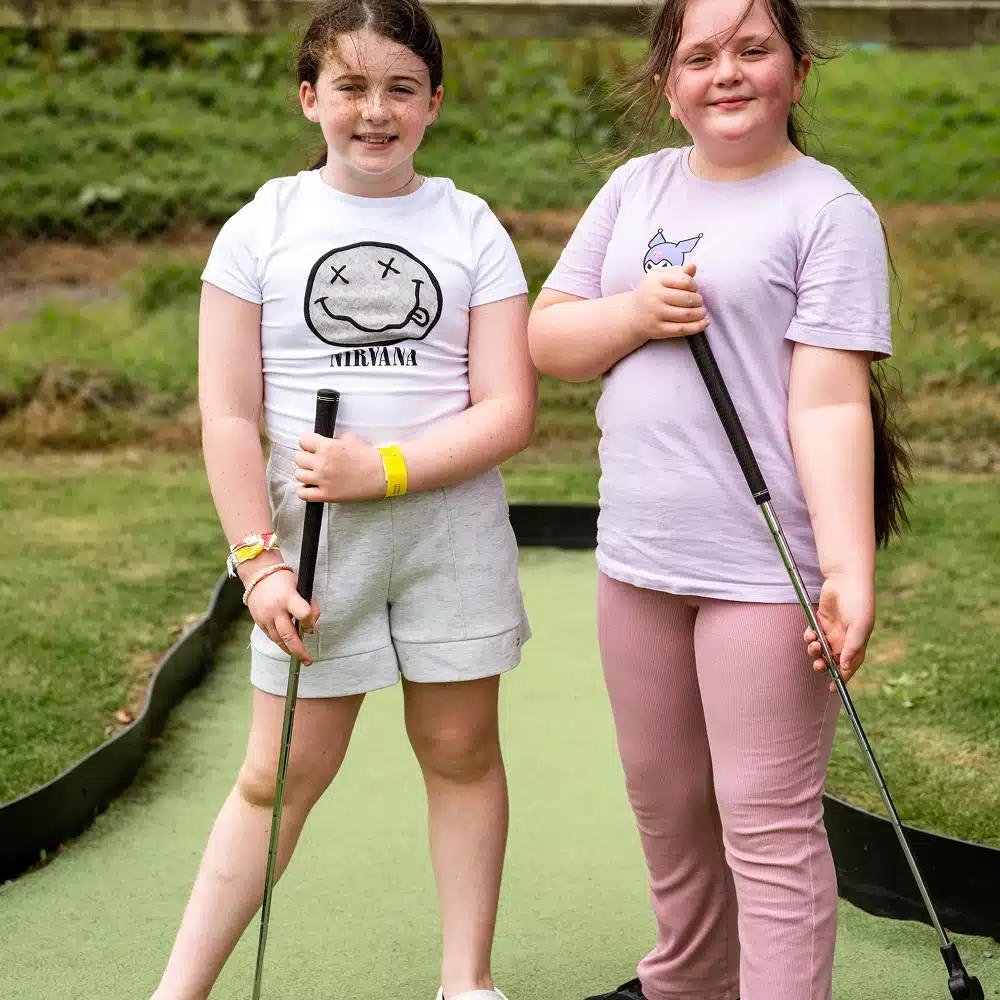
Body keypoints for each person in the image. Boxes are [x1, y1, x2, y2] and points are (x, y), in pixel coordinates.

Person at [151, 2, 536, 998]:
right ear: (309, 97)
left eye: (401, 87)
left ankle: (467, 980)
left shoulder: (470, 225)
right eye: (353, 86)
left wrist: (390, 467)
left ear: (434, 103)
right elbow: (229, 417)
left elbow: (508, 410)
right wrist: (258, 561)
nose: (377, 110)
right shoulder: (263, 226)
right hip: (311, 532)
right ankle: (180, 989)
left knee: (458, 747)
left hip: (447, 522)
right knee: (279, 774)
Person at [527, 0, 910, 998]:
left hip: (760, 568)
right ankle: (686, 981)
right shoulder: (635, 186)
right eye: (699, 56)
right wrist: (632, 313)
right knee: (666, 800)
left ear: (797, 69)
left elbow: (829, 405)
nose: (725, 71)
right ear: (667, 85)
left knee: (765, 817)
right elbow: (550, 338)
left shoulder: (826, 210)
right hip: (638, 558)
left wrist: (846, 567)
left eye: (752, 48)